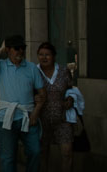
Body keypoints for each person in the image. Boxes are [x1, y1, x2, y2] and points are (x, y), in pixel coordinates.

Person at [0, 35, 46, 172]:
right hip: (6, 118)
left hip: (28, 116)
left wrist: (35, 114)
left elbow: (42, 94)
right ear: (8, 50)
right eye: (16, 48)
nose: (20, 52)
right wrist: (1, 48)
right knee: (8, 157)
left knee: (35, 151)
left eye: (22, 48)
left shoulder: (31, 68)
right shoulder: (1, 66)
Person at [36, 42, 75, 172]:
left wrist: (70, 98)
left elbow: (71, 89)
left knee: (67, 152)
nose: (44, 58)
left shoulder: (64, 71)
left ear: (54, 56)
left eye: (47, 55)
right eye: (41, 55)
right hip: (41, 119)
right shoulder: (34, 71)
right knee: (43, 153)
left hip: (62, 117)